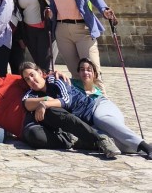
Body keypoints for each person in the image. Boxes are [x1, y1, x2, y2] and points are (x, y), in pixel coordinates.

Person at [22, 60, 151, 159]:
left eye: (32, 75)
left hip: (95, 106)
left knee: (103, 119)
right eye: (27, 79)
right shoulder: (31, 94)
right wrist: (44, 100)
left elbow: (66, 101)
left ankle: (146, 146)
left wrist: (44, 104)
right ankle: (138, 147)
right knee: (121, 145)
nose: (32, 80)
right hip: (86, 122)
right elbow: (26, 103)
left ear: (40, 73)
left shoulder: (55, 79)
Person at [0, 56, 94, 149]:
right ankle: (72, 140)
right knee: (35, 136)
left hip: (34, 112)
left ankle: (95, 138)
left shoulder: (12, 80)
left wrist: (54, 74)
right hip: (26, 128)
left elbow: (36, 78)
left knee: (53, 111)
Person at [46, 0, 115, 84]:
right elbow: (54, 5)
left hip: (83, 29)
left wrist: (104, 9)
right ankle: (83, 102)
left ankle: (101, 101)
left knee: (91, 70)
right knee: (75, 72)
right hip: (62, 31)